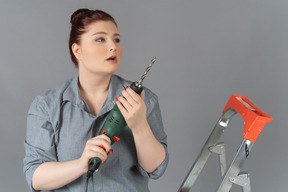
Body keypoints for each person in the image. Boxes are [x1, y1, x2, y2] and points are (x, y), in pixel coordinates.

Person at [23, 9, 168, 192]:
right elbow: (34, 175)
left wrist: (140, 126)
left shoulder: (143, 100)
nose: (113, 46)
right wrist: (80, 165)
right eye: (101, 39)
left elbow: (155, 169)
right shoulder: (47, 105)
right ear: (77, 50)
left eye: (116, 39)